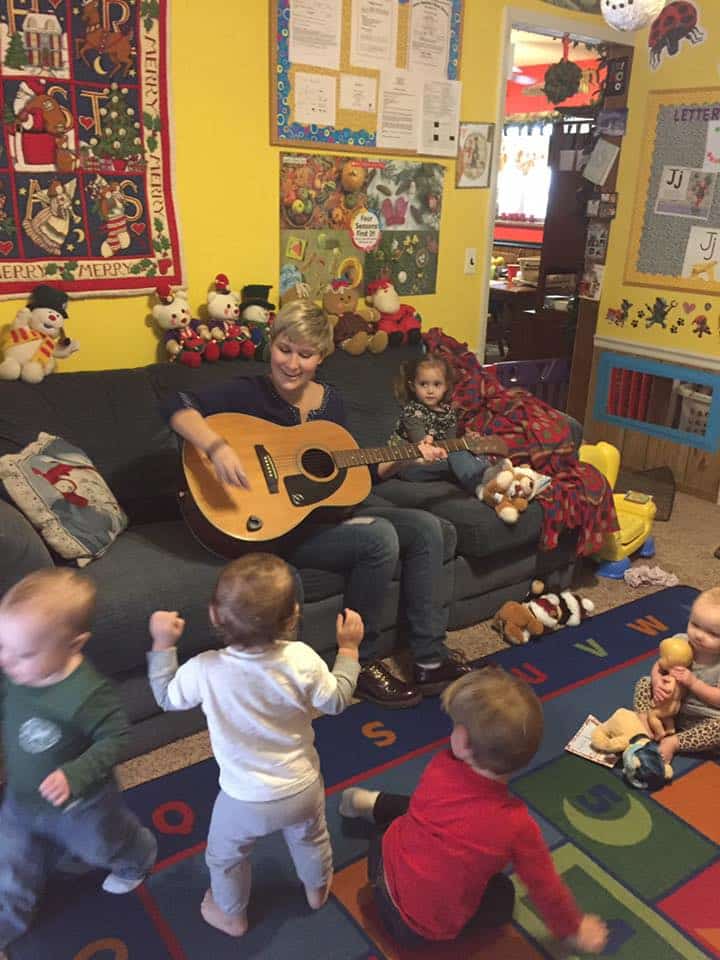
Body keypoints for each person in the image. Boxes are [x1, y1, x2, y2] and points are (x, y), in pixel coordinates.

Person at [160, 299, 474, 709]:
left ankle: (430, 660)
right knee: (379, 537)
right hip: (278, 528)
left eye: (305, 354)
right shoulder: (246, 392)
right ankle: (361, 665)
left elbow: (349, 472)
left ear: (321, 357)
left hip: (325, 516)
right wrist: (216, 446)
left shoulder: (332, 403)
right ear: (271, 346)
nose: (292, 363)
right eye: (284, 349)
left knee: (429, 527)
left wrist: (406, 456)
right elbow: (174, 403)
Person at [146, 553, 363, 938]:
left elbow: (166, 696)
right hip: (302, 787)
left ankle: (231, 915)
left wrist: (163, 645)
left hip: (243, 799)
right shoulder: (302, 658)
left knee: (225, 858)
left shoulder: (204, 668)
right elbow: (337, 701)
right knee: (312, 838)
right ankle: (317, 889)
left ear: (214, 616)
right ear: (294, 615)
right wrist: (348, 650)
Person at [340, 667, 608, 953]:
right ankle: (373, 804)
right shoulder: (517, 826)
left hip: (379, 860)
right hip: (414, 929)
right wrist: (573, 929)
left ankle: (370, 802)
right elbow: (545, 887)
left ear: (464, 742)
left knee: (422, 812)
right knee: (503, 896)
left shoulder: (441, 765)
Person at [0, 570, 157, 957]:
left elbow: (117, 738)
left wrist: (76, 773)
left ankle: (138, 857)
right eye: (2, 646)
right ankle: (6, 926)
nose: (7, 662)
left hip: (81, 806)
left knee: (101, 848)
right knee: (11, 865)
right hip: (21, 800)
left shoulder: (88, 694)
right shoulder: (16, 674)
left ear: (75, 645)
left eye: (24, 654)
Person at [391, 353, 505, 496]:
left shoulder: (448, 412)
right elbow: (422, 447)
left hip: (438, 460)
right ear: (413, 386)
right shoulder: (412, 412)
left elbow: (449, 443)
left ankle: (502, 478)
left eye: (437, 384)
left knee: (466, 455)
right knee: (457, 456)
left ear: (446, 386)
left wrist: (466, 440)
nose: (430, 390)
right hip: (412, 465)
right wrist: (457, 448)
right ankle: (483, 485)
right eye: (423, 384)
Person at [634, 585, 720, 764]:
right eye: (695, 625)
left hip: (701, 717)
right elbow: (660, 664)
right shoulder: (681, 641)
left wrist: (693, 683)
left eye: (713, 634)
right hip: (666, 707)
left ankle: (675, 742)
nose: (699, 636)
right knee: (644, 682)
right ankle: (643, 721)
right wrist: (657, 682)